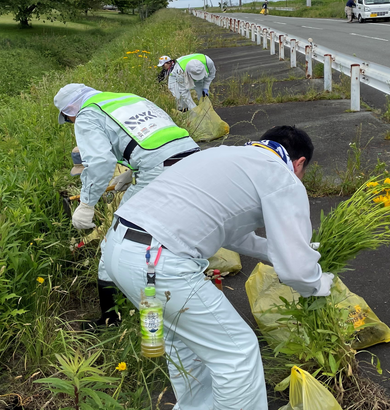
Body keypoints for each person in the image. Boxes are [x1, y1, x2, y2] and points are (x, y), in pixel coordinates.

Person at [102, 125, 335, 409]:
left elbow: (233, 233)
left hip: (120, 249)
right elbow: (296, 271)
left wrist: (284, 252)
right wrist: (318, 283)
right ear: (300, 164)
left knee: (189, 349)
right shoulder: (282, 176)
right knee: (236, 353)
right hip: (160, 261)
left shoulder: (223, 156)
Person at [53, 83, 200, 327]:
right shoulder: (127, 98)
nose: (71, 122)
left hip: (158, 170)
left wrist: (87, 205)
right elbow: (149, 138)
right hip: (193, 157)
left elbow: (99, 161)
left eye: (68, 119)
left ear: (71, 111)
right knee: (178, 231)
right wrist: (132, 173)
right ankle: (188, 293)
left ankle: (111, 317)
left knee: (116, 242)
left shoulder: (87, 114)